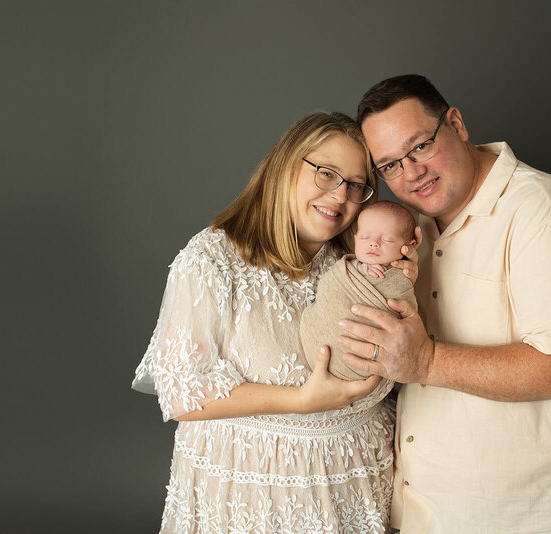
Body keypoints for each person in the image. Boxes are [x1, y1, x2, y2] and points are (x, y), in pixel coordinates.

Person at [337, 75, 551, 533]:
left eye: (420, 147)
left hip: (524, 517)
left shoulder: (545, 213)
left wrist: (426, 361)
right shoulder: (410, 232)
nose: (410, 174)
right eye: (388, 166)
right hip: (426, 511)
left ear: (456, 123)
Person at [131, 111, 417, 533]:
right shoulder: (212, 261)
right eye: (326, 173)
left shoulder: (356, 261)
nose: (340, 196)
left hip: (360, 490)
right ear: (285, 166)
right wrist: (302, 401)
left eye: (357, 185)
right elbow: (180, 395)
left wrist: (402, 287)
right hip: (260, 500)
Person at [301, 200, 418, 380]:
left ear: (407, 246)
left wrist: (399, 279)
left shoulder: (401, 279)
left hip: (362, 366)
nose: (373, 244)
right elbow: (329, 288)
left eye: (386, 239)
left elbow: (406, 318)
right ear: (356, 239)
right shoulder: (346, 269)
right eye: (365, 238)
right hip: (316, 341)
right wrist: (363, 270)